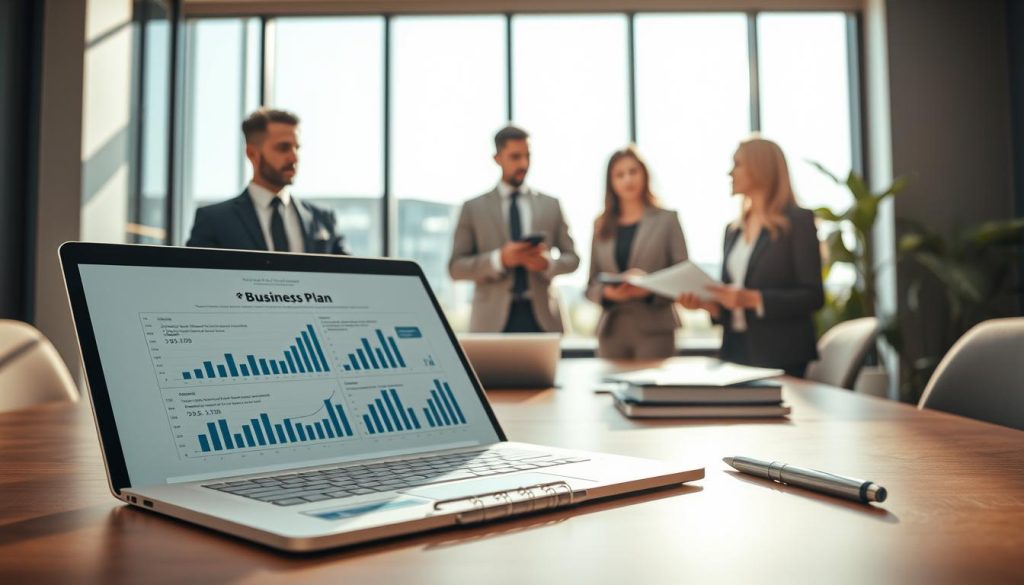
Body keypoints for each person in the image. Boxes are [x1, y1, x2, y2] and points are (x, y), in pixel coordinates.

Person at [677, 137, 824, 377]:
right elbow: (730, 303)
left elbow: (813, 296)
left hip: (782, 354)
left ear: (760, 168)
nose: (730, 172)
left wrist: (753, 299)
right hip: (735, 350)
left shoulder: (798, 222)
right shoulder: (733, 230)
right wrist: (708, 305)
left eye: (737, 164)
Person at [449, 125, 579, 333]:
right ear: (497, 158)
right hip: (490, 322)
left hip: (544, 318)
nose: (524, 164)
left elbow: (573, 258)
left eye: (527, 156)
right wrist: (500, 259)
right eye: (515, 157)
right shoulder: (472, 208)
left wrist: (548, 264)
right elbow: (455, 268)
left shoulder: (551, 205)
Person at [186, 108, 348, 255]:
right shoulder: (214, 221)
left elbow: (351, 279)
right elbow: (195, 281)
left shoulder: (323, 219)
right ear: (252, 154)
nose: (294, 157)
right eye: (283, 148)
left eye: (296, 148)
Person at [585, 146, 688, 359]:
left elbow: (683, 277)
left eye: (633, 172)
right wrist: (607, 294)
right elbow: (590, 285)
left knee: (654, 391)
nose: (627, 180)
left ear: (644, 174)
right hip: (611, 331)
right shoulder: (601, 225)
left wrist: (649, 289)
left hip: (655, 330)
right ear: (611, 183)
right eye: (619, 175)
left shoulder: (667, 220)